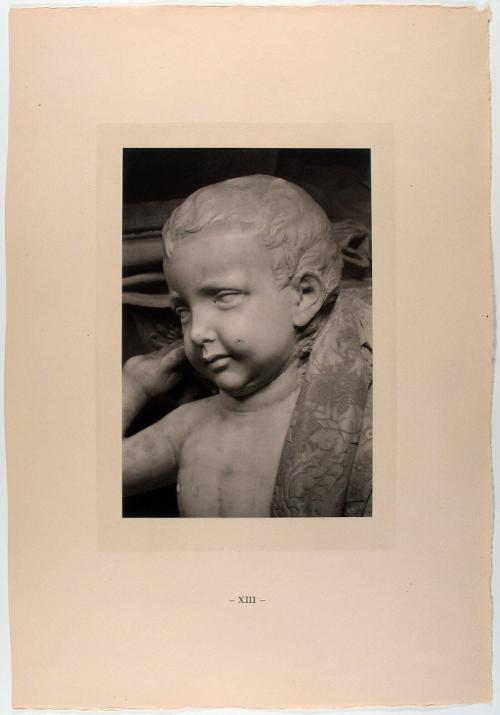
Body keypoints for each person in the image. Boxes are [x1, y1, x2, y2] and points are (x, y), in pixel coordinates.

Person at [122, 175, 372, 517]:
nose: (196, 332)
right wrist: (131, 387)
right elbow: (81, 480)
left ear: (304, 296)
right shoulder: (190, 426)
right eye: (183, 311)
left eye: (224, 297)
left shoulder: (349, 425)